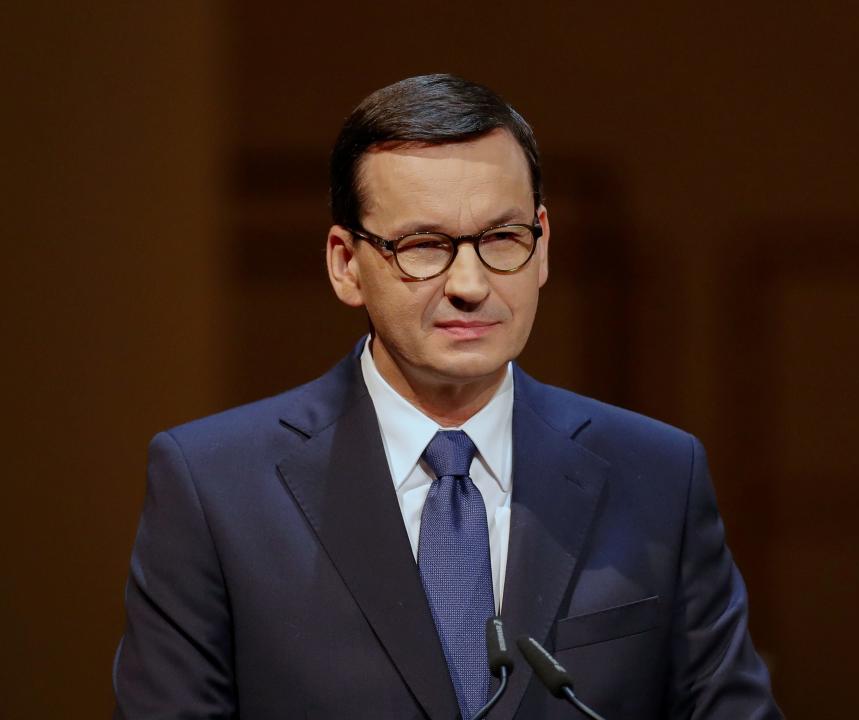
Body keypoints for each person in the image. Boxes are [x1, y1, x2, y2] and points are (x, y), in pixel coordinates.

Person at [113, 74, 782, 719]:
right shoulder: (214, 487)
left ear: (543, 246)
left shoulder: (659, 477)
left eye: (501, 240)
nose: (470, 282)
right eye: (424, 245)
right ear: (346, 263)